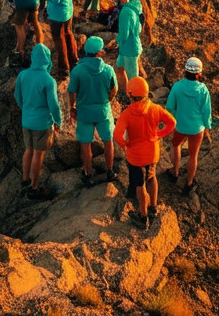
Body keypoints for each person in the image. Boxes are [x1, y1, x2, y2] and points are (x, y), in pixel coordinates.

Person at [113, 77, 176, 230]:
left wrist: (124, 145)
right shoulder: (155, 108)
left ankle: (143, 215)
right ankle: (153, 208)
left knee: (139, 184)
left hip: (136, 156)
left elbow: (117, 134)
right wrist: (160, 134)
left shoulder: (127, 114)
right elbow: (172, 122)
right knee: (152, 177)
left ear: (130, 94)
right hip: (153, 152)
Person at [68, 36, 118, 187]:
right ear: (99, 53)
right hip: (103, 111)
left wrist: (72, 107)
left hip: (84, 112)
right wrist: (108, 100)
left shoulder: (77, 71)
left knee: (85, 144)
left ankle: (88, 175)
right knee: (108, 141)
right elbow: (114, 89)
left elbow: (72, 91)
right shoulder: (108, 70)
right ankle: (110, 171)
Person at [14, 43, 62, 200]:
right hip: (42, 123)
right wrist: (58, 121)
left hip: (26, 121)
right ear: (47, 59)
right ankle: (34, 188)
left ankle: (25, 180)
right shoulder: (48, 80)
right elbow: (53, 105)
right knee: (38, 154)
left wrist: (25, 109)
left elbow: (17, 96)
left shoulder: (23, 75)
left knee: (28, 150)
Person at [165, 56, 213, 195]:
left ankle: (175, 172)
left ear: (185, 70)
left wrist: (176, 116)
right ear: (199, 73)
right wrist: (207, 126)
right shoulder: (203, 89)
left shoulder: (177, 86)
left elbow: (169, 106)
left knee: (176, 146)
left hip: (180, 125)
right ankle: (189, 183)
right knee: (193, 155)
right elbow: (206, 111)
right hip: (197, 128)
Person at [37, 0, 77, 78]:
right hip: (68, 10)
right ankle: (74, 61)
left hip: (58, 14)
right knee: (69, 33)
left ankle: (64, 69)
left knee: (59, 41)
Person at [109, 0, 144, 98]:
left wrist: (116, 42)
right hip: (131, 46)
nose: (114, 2)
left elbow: (124, 34)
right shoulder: (134, 6)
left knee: (134, 78)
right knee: (119, 69)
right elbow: (138, 27)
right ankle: (127, 93)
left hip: (129, 50)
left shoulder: (125, 12)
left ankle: (136, 97)